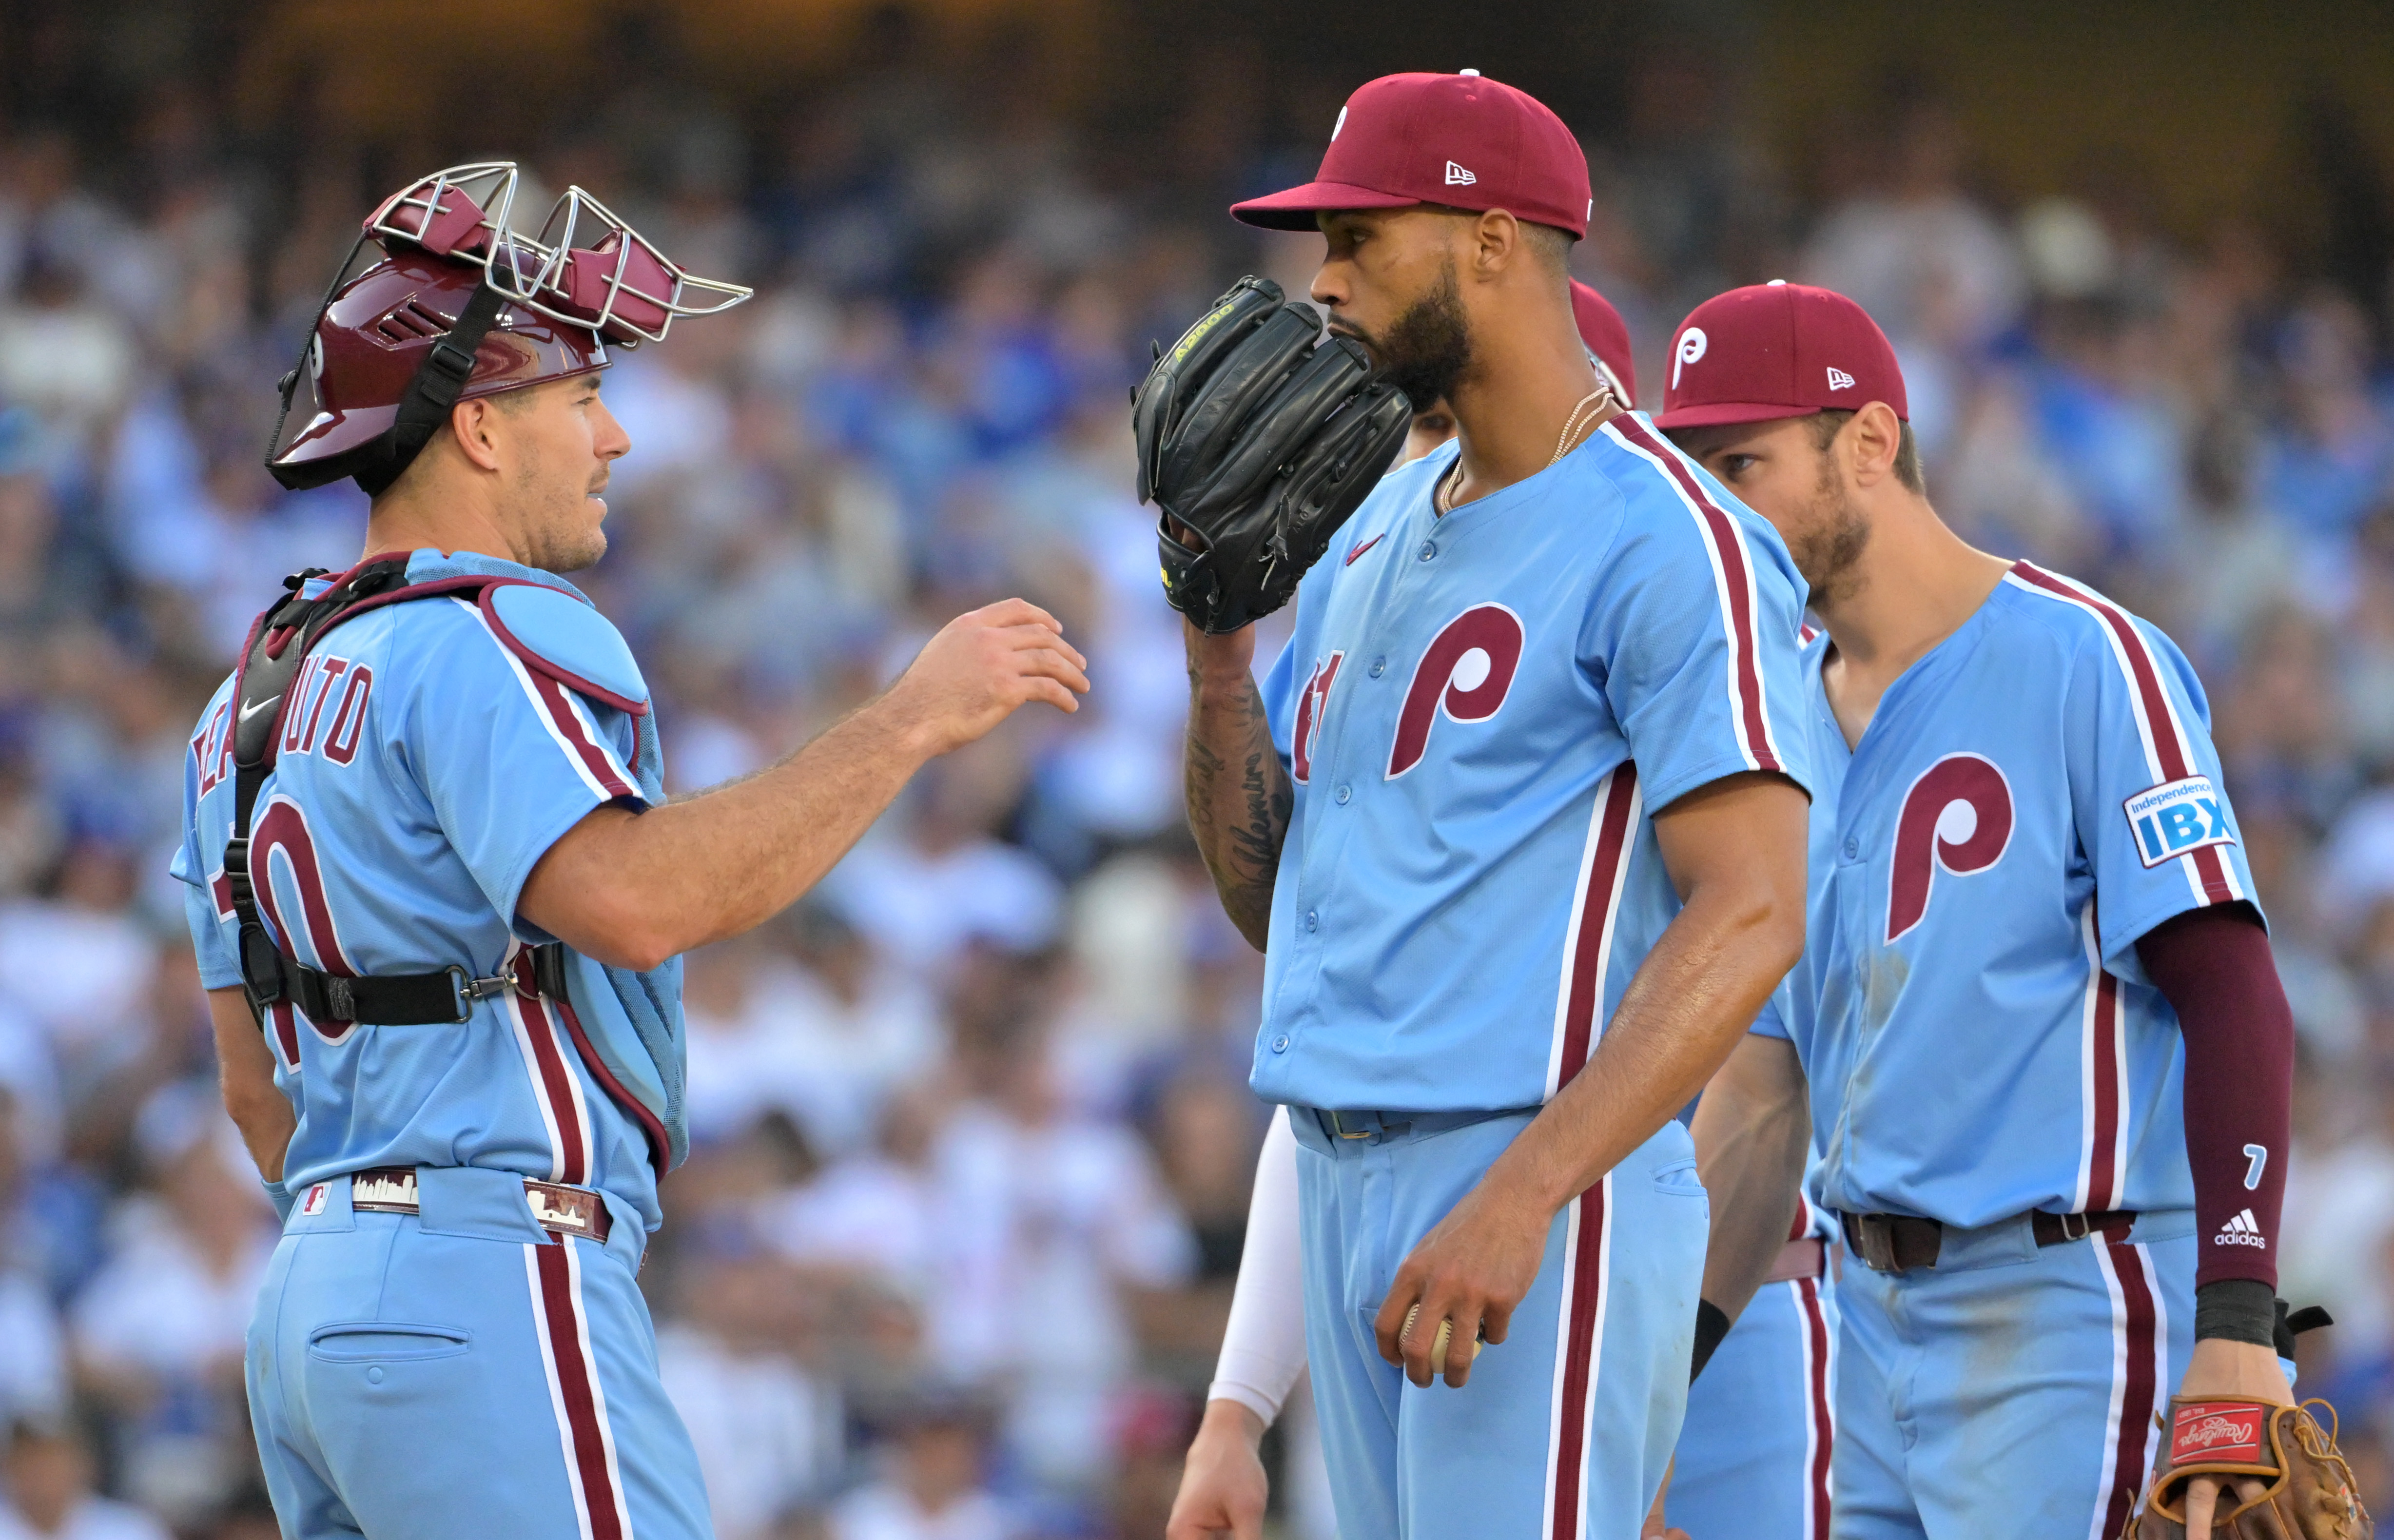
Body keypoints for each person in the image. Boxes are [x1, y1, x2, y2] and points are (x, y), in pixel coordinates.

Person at [170, 162, 1088, 1540]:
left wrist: (377, 1247)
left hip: (314, 1301)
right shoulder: (498, 627)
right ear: (481, 428)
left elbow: (254, 1092)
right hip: (491, 1273)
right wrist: (905, 724)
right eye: (583, 397)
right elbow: (632, 901)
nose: (616, 440)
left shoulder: (249, 690)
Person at [1176, 71, 1814, 1538]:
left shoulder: (1671, 539)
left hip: (1533, 1174)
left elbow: (1757, 905)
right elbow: (1281, 904)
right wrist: (1218, 667)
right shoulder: (1374, 526)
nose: (1324, 288)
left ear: (1489, 238)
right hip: (1345, 1168)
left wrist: (1528, 1193)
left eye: (1359, 241)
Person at [1658, 282, 2302, 1540]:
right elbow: (1760, 1094)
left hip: (2060, 1297)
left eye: (1745, 462)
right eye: (1698, 473)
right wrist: (1649, 1382)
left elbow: (2233, 993)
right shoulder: (1772, 708)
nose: (1718, 510)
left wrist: (2240, 1320)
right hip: (1865, 1318)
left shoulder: (2085, 659)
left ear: (1872, 442)